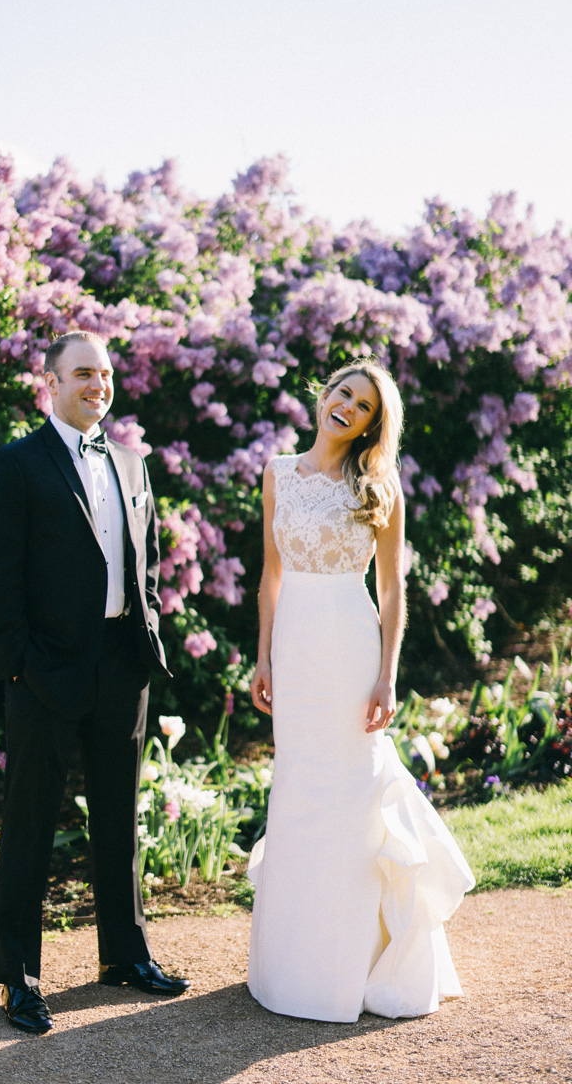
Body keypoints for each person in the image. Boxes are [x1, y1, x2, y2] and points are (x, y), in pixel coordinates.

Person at [0, 330, 189, 1035]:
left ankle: (124, 958)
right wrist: (18, 666)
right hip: (42, 673)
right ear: (52, 382)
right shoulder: (15, 465)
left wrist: (146, 631)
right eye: (83, 374)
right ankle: (20, 980)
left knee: (119, 822)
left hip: (122, 666)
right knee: (29, 827)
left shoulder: (130, 462)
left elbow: (145, 562)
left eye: (105, 374)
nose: (98, 384)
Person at [247, 359, 474, 1023]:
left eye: (365, 406)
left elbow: (394, 588)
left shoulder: (378, 483)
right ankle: (290, 972)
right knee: (297, 791)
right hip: (295, 651)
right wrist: (262, 659)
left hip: (350, 650)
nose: (349, 407)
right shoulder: (277, 472)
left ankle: (354, 968)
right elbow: (270, 576)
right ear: (326, 395)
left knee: (351, 794)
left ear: (375, 423)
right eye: (345, 392)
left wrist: (387, 673)